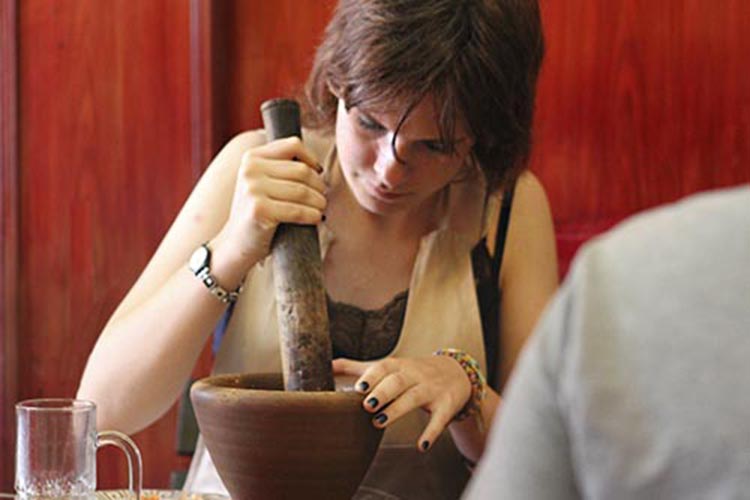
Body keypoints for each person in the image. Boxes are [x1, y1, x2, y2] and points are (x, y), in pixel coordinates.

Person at [77, 0, 558, 497]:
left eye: (433, 146)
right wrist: (228, 253)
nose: (388, 170)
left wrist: (468, 392)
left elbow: (552, 463)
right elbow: (104, 411)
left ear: (484, 137)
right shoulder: (253, 167)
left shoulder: (506, 210)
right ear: (336, 85)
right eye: (370, 123)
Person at [463, 185, 750, 500]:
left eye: (436, 146)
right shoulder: (613, 283)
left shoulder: (615, 281)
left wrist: (467, 385)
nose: (397, 169)